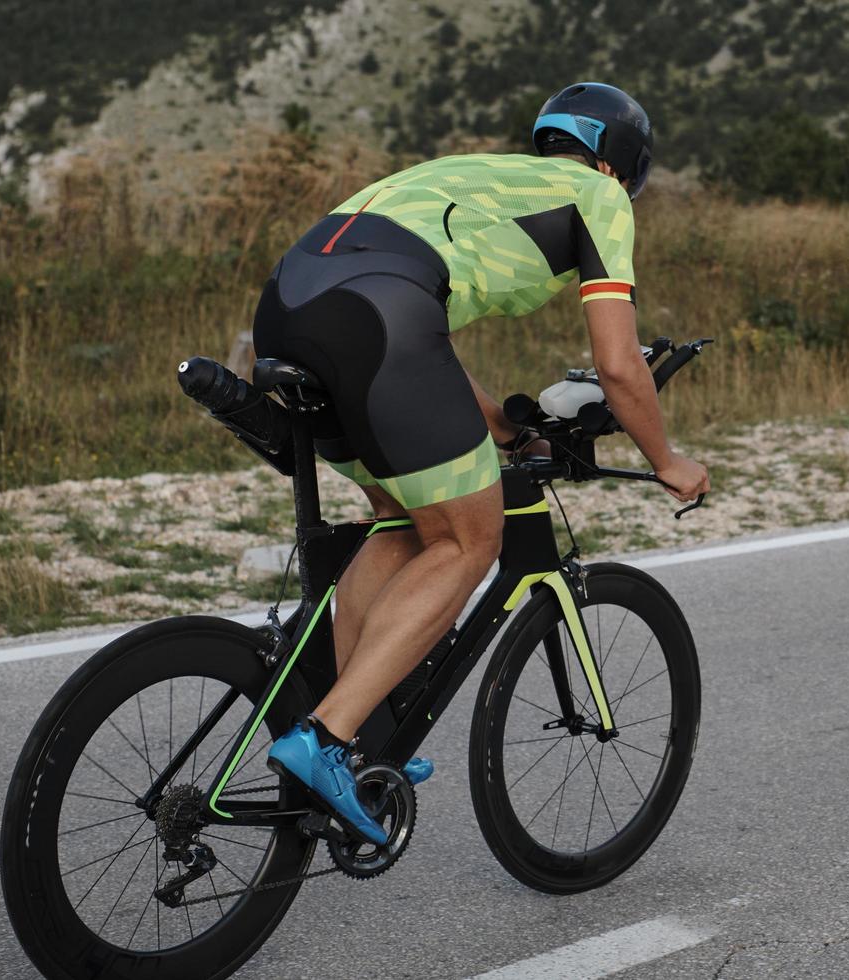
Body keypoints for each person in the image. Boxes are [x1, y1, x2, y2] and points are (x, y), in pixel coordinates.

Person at [256, 82, 709, 844]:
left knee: (407, 517)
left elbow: (417, 339)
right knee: (471, 539)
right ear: (621, 163)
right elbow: (619, 363)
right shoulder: (597, 196)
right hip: (379, 318)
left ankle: (349, 727)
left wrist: (501, 429)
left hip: (293, 308)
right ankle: (326, 740)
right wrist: (666, 458)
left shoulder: (481, 176)